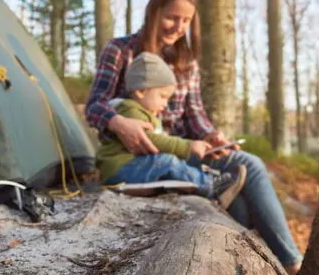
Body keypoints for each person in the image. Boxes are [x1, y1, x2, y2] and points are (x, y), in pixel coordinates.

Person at [85, 0, 303, 275]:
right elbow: (94, 105)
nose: (178, 26)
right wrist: (118, 122)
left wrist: (211, 136)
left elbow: (194, 115)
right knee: (243, 184)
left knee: (246, 171)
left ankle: (279, 267)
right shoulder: (120, 51)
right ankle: (287, 266)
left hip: (188, 148)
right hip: (144, 156)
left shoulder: (186, 61)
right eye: (172, 17)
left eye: (185, 20)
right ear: (153, 12)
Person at [95, 51, 247, 208]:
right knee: (167, 162)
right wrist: (188, 146)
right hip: (121, 170)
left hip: (132, 168)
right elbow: (152, 140)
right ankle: (211, 187)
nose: (166, 104)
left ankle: (204, 181)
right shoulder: (130, 110)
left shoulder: (143, 112)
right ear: (140, 92)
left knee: (168, 162)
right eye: (162, 96)